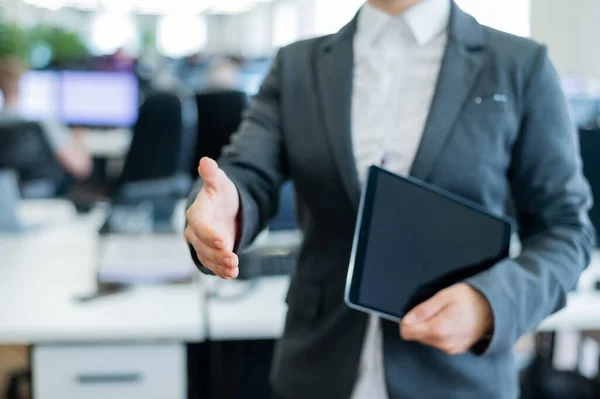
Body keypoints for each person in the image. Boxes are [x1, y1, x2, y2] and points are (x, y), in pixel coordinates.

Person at [185, 0, 595, 397]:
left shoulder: (519, 65)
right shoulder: (298, 65)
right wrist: (224, 211)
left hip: (457, 378)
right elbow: (247, 174)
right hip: (317, 368)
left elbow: (565, 229)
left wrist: (491, 304)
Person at [0, 58, 92, 180]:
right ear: (22, 87)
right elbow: (80, 168)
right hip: (41, 193)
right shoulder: (43, 123)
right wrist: (79, 140)